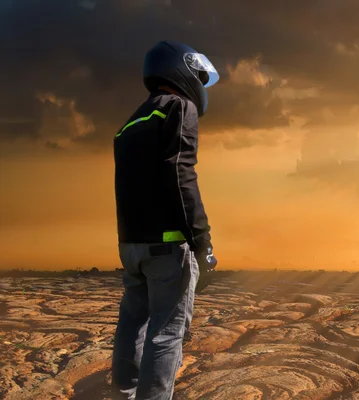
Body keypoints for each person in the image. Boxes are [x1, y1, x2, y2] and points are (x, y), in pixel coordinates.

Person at [111, 40, 219, 400]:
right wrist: (202, 240)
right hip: (168, 247)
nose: (200, 86)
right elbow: (180, 175)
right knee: (167, 333)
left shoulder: (130, 123)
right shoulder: (178, 107)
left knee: (132, 323)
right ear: (181, 69)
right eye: (198, 77)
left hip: (132, 246)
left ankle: (123, 393)